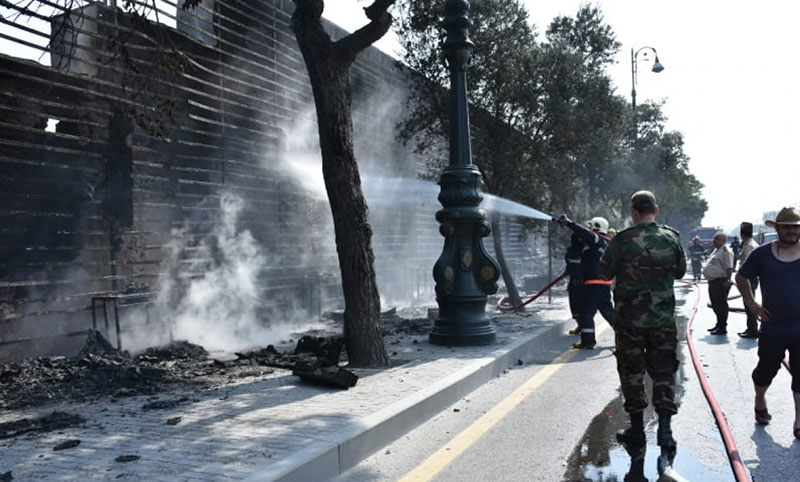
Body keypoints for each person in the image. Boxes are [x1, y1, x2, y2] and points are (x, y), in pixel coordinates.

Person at [598, 190, 686, 463]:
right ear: (655, 210)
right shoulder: (671, 238)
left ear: (634, 212)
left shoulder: (622, 240)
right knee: (664, 372)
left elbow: (604, 272)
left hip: (630, 323)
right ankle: (666, 432)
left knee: (632, 373)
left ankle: (637, 432)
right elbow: (681, 271)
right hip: (662, 321)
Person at [734, 207, 800, 439]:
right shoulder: (762, 254)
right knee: (766, 371)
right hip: (774, 327)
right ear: (778, 228)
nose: (791, 231)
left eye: (795, 227)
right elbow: (741, 277)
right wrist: (752, 304)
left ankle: (799, 420)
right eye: (787, 227)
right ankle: (760, 398)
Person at [555, 214, 615, 349]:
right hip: (604, 284)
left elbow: (583, 232)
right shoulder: (605, 243)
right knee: (608, 312)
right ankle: (625, 336)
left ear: (596, 227)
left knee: (586, 313)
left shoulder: (595, 238)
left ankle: (588, 341)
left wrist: (569, 223)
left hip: (593, 284)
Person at [703, 232, 734, 334]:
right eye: (714, 238)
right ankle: (718, 324)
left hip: (720, 281)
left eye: (717, 239)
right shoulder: (716, 251)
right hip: (713, 282)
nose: (714, 241)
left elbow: (729, 268)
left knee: (721, 304)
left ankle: (722, 327)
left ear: (723, 241)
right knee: (715, 304)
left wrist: (728, 280)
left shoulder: (725, 251)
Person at [737, 222, 760, 338]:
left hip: (748, 278)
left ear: (742, 234)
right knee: (748, 303)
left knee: (749, 303)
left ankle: (753, 330)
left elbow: (747, 265)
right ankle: (750, 328)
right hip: (750, 277)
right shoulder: (750, 244)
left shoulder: (749, 246)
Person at [565, 234, 585, 336]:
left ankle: (584, 327)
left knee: (583, 309)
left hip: (584, 285)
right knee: (575, 308)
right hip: (574, 283)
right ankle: (580, 326)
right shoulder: (571, 251)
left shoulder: (586, 251)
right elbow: (568, 264)